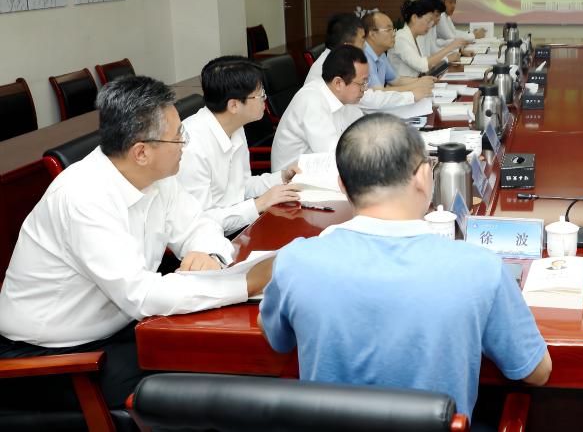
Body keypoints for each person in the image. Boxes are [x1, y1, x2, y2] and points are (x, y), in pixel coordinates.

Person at [0, 76, 271, 412]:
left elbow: (199, 224)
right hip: (51, 358)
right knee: (198, 383)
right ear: (141, 152)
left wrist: (208, 253)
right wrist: (244, 283)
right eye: (178, 136)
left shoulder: (155, 176)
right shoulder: (83, 197)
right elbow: (141, 295)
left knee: (225, 355)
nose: (185, 144)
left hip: (118, 327)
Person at [259, 113, 552, 419]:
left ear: (342, 186)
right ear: (424, 176)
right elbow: (536, 372)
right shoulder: (481, 268)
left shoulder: (295, 261)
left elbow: (276, 338)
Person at [179, 56, 301, 235]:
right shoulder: (191, 146)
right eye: (260, 94)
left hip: (238, 226)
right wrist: (259, 204)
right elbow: (200, 222)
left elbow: (242, 186)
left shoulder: (234, 125)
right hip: (207, 241)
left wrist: (282, 177)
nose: (265, 99)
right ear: (234, 105)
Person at [270, 45, 368, 171]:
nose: (365, 89)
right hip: (291, 178)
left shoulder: (345, 98)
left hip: (321, 171)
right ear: (338, 83)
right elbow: (333, 155)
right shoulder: (312, 100)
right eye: (362, 83)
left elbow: (361, 135)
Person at [362, 11, 434, 99]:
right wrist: (416, 85)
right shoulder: (363, 56)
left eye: (393, 29)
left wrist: (421, 80)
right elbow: (378, 93)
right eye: (389, 30)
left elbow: (396, 80)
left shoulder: (381, 54)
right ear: (372, 34)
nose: (394, 34)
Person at [391, 0, 467, 78]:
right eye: (428, 21)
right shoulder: (401, 38)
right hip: (406, 84)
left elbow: (427, 65)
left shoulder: (415, 36)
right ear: (414, 18)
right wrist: (450, 47)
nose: (430, 25)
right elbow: (422, 66)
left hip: (416, 82)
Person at [304, 13, 364, 85]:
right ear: (348, 46)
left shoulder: (340, 59)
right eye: (363, 39)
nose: (365, 45)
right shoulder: (331, 69)